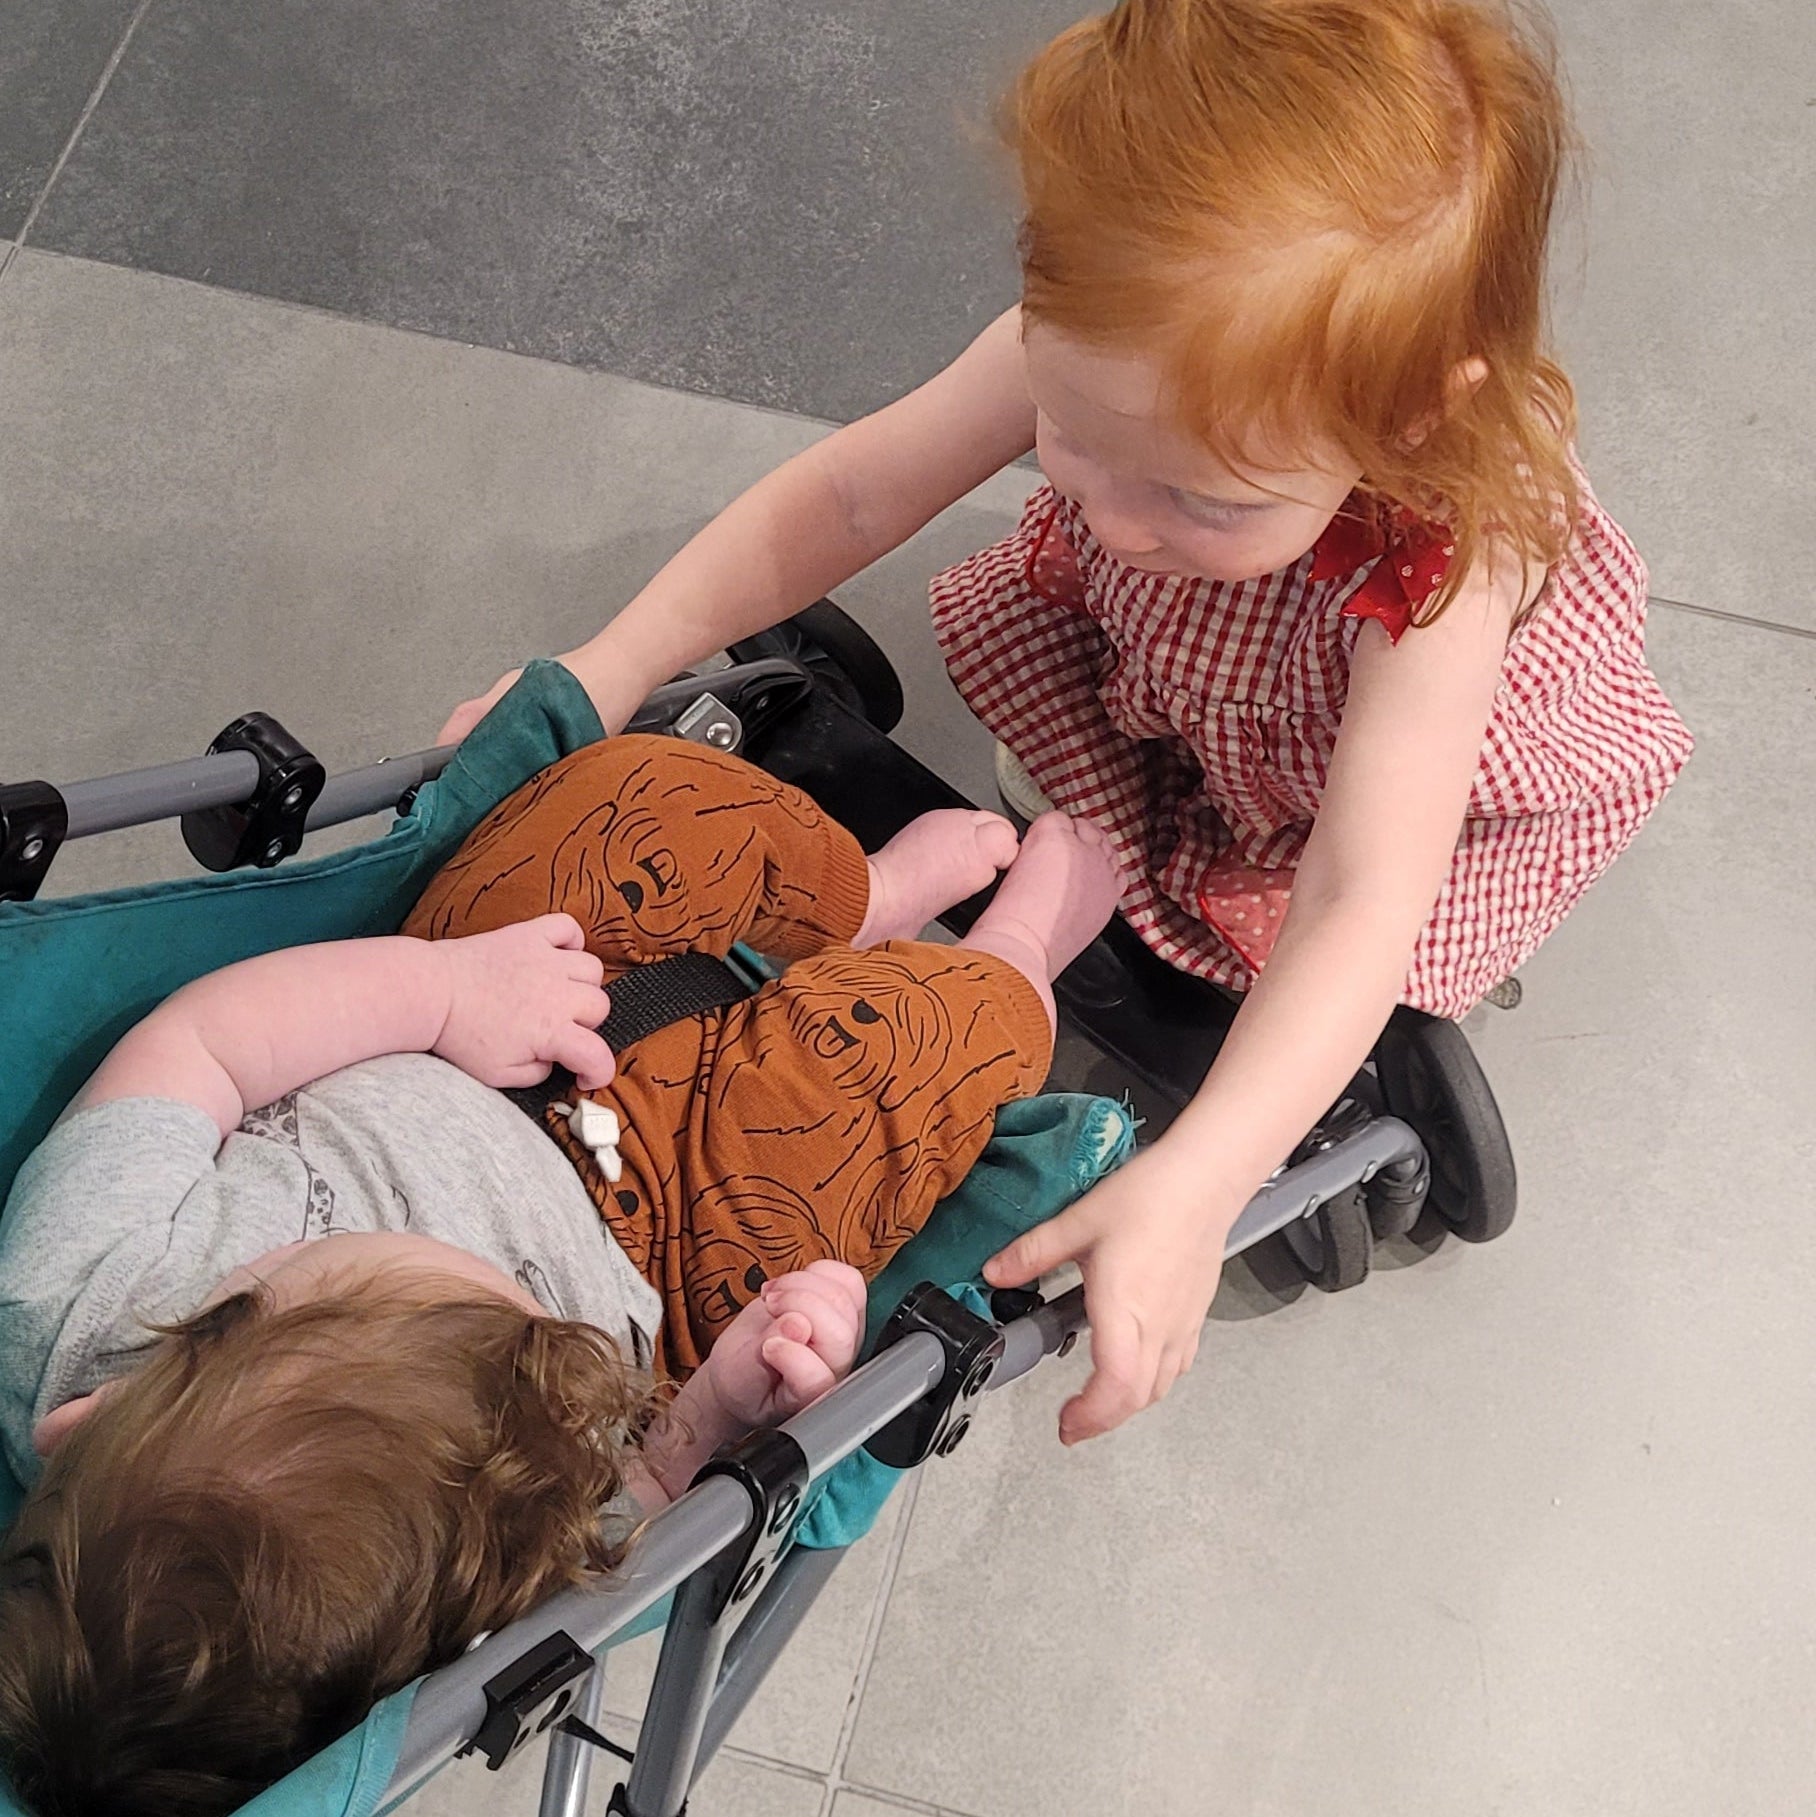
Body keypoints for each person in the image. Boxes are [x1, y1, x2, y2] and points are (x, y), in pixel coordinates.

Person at [441, 0, 1694, 1448]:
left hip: (1370, 772)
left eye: (1201, 496)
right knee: (1088, 705)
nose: (1102, 511)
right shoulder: (1114, 352)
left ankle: (1230, 939)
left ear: (1408, 417)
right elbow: (849, 496)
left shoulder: (1440, 555)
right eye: (1075, 438)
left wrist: (1207, 1174)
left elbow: (1364, 889)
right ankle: (1138, 790)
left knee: (1349, 931)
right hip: (1190, 666)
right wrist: (606, 667)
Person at [0, 734, 1124, 1817]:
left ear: (87, 1417)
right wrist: (724, 1400)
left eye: (320, 1259)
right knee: (902, 1057)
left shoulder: (69, 1302)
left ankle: (856, 895)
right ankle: (1015, 952)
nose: (502, 1277)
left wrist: (441, 987)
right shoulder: (461, 1606)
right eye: (516, 1325)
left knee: (629, 803)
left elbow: (196, 1043)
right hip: (683, 1241)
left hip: (477, 1013)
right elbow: (642, 1498)